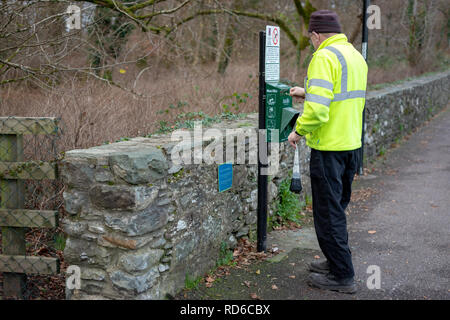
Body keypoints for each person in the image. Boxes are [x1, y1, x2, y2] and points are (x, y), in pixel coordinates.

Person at [287, 10, 368, 294]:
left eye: (311, 38)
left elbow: (319, 111)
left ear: (315, 35)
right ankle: (335, 262)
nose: (311, 43)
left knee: (327, 213)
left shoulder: (323, 56)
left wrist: (298, 131)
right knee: (337, 208)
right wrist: (306, 92)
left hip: (329, 148)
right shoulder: (354, 56)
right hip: (351, 146)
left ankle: (343, 276)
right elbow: (337, 95)